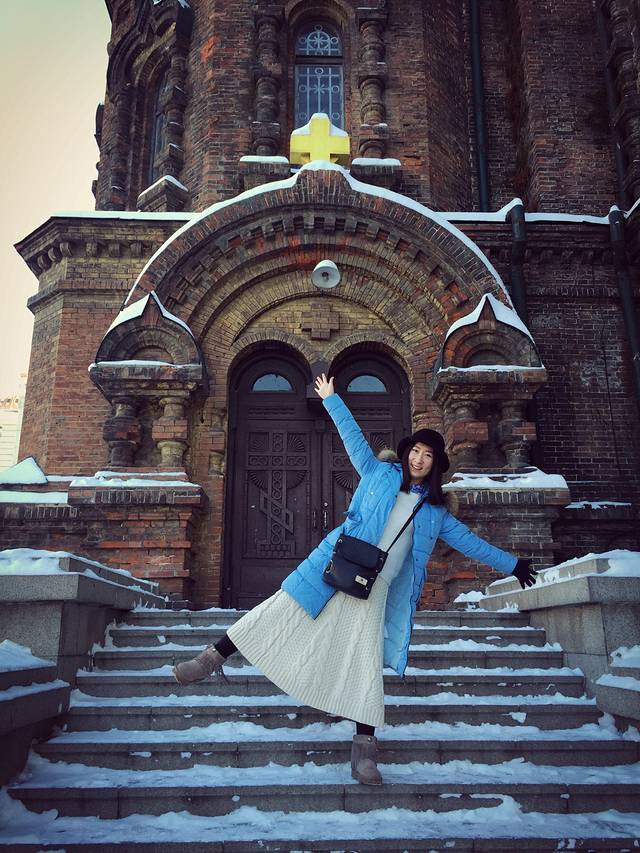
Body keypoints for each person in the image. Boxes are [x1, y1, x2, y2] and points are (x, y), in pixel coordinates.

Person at [174, 374, 537, 785]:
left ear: (436, 464)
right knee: (280, 609)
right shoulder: (378, 473)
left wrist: (513, 565)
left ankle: (364, 749)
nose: (419, 460)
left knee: (363, 660)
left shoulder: (436, 512)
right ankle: (210, 659)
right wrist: (332, 399)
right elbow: (354, 440)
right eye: (415, 451)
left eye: (428, 455)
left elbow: (470, 543)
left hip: (375, 587)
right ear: (406, 452)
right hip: (334, 564)